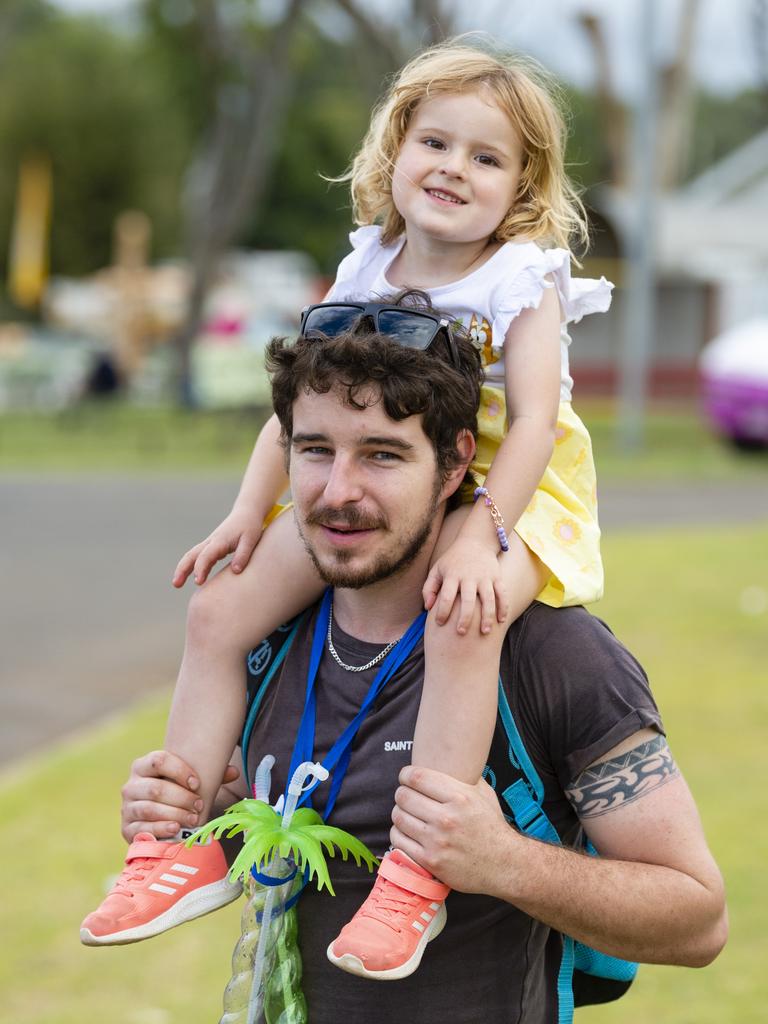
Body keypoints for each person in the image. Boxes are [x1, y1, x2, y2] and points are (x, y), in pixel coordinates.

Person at [82, 38, 614, 976]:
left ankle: (415, 875)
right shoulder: (369, 259)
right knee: (220, 607)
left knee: (463, 616)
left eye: (487, 158)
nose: (454, 168)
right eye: (435, 143)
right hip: (373, 476)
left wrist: (486, 534)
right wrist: (250, 513)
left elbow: (533, 425)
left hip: (512, 487)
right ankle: (183, 838)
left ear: (523, 184)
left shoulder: (520, 278)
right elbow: (296, 411)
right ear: (394, 148)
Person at [114, 324, 726, 1023]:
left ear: (456, 464)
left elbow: (697, 919)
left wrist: (504, 861)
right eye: (315, 450)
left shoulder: (552, 654)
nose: (338, 492)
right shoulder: (266, 637)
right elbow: (268, 833)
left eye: (382, 455)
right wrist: (189, 814)